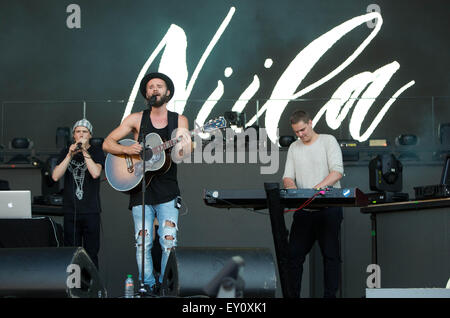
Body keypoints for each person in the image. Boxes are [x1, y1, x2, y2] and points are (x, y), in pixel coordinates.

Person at [102, 72, 191, 295]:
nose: (154, 89)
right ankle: (149, 287)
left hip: (168, 190)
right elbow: (107, 143)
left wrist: (187, 144)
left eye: (159, 86)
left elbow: (181, 156)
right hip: (141, 189)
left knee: (169, 242)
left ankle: (167, 286)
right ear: (146, 93)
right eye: (151, 87)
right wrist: (126, 149)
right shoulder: (136, 119)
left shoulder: (179, 120)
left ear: (168, 92)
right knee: (143, 243)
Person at [282, 110, 344, 298]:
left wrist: (314, 190)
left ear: (310, 122)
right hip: (304, 210)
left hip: (329, 209)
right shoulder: (294, 147)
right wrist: (293, 188)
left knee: (331, 257)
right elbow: (287, 177)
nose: (300, 135)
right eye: (296, 132)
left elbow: (337, 172)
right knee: (293, 258)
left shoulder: (328, 140)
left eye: (302, 130)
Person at [52, 119, 105, 269]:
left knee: (91, 253)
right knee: (72, 253)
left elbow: (95, 173)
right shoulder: (65, 151)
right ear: (74, 135)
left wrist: (84, 151)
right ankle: (74, 288)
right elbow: (55, 176)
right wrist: (69, 155)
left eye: (84, 131)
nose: (81, 134)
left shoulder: (96, 151)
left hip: (91, 211)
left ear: (90, 135)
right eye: (78, 131)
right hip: (71, 211)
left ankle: (91, 288)